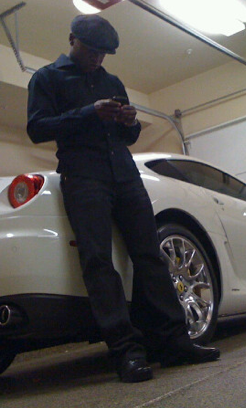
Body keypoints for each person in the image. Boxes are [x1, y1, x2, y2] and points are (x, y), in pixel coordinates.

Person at [27, 14, 219, 383]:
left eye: (103, 54)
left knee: (151, 257)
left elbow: (128, 138)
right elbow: (36, 128)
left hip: (126, 175)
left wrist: (130, 123)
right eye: (92, 51)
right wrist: (90, 112)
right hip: (83, 177)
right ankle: (126, 353)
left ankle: (175, 343)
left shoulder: (111, 82)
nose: (97, 59)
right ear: (72, 39)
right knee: (98, 262)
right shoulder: (47, 78)